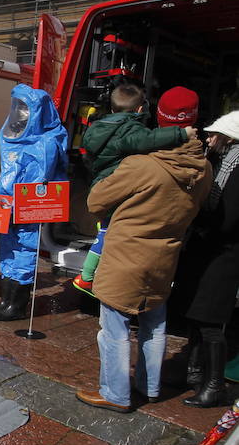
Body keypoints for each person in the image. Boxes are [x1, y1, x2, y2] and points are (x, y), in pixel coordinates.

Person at [75, 117, 211, 413]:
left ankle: (115, 394)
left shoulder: (142, 165)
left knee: (114, 329)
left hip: (126, 257)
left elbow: (96, 202)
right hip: (164, 258)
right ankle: (149, 387)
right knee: (154, 325)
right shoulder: (204, 169)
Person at [72, 84, 197, 295]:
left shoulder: (99, 127)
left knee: (105, 230)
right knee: (107, 234)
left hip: (102, 183)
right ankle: (86, 277)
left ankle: (91, 275)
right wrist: (181, 133)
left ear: (112, 109)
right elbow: (148, 139)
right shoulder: (130, 130)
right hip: (117, 186)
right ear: (140, 109)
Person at [0, 84, 68, 320]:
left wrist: (16, 200)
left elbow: (39, 178)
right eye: (17, 106)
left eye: (24, 107)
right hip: (9, 203)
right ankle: (6, 301)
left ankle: (16, 306)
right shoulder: (18, 134)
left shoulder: (47, 141)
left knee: (24, 250)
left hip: (27, 205)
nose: (19, 112)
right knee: (9, 249)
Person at [172, 111, 239, 407]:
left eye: (215, 135)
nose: (209, 139)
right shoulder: (221, 162)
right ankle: (194, 371)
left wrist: (200, 221)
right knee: (195, 315)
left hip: (223, 255)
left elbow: (229, 219)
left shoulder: (236, 167)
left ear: (230, 138)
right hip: (205, 250)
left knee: (211, 321)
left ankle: (214, 385)